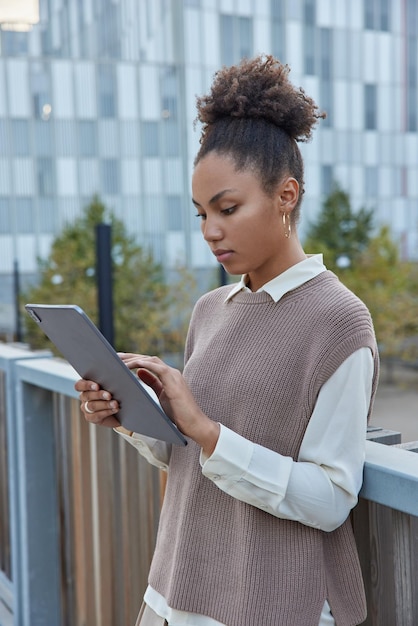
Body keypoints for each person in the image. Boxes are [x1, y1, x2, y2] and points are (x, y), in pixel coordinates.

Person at [75, 55, 379, 626]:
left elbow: (332, 499)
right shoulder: (210, 310)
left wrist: (209, 433)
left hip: (265, 606)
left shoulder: (338, 321)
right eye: (200, 213)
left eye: (228, 208)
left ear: (286, 196)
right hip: (171, 591)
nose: (210, 230)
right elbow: (188, 457)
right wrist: (130, 415)